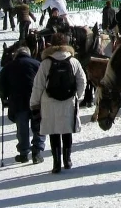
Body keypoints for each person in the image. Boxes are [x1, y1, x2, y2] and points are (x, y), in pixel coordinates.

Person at [30, 33, 87, 174]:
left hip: (49, 103)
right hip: (68, 102)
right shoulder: (74, 61)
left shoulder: (46, 63)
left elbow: (38, 85)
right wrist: (77, 97)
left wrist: (34, 104)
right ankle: (67, 160)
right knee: (67, 131)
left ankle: (56, 164)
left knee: (54, 132)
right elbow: (82, 81)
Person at [0, 46, 45, 164]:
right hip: (36, 101)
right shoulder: (37, 64)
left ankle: (24, 154)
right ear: (28, 54)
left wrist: (4, 95)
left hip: (18, 102)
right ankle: (37, 153)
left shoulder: (9, 66)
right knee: (38, 126)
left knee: (22, 128)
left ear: (16, 55)